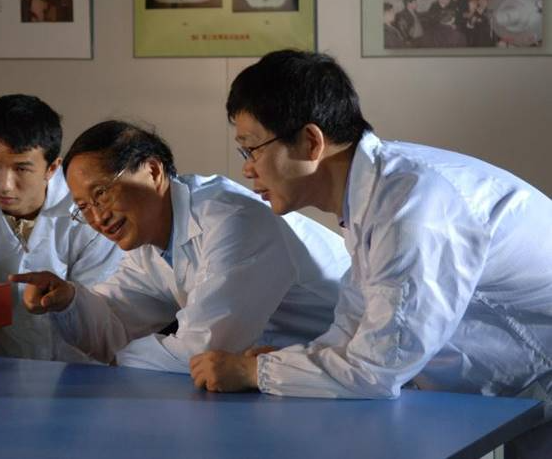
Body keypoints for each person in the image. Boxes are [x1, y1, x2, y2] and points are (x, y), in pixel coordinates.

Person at [190, 50, 552, 457]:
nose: (247, 169)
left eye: (252, 148)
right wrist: (292, 363)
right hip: (524, 383)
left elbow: (377, 367)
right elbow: (354, 327)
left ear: (311, 141)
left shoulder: (410, 207)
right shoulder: (373, 194)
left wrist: (256, 371)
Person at [10, 121, 351, 374]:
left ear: (153, 171)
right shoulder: (148, 246)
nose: (98, 217)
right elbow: (115, 323)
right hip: (290, 373)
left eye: (102, 193)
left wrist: (117, 360)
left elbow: (204, 349)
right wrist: (69, 301)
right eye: (84, 207)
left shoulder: (231, 219)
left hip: (341, 370)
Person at [0, 95, 123, 362]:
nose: (4, 185)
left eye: (21, 169)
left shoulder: (88, 211)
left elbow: (97, 313)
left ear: (51, 168)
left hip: (73, 368)